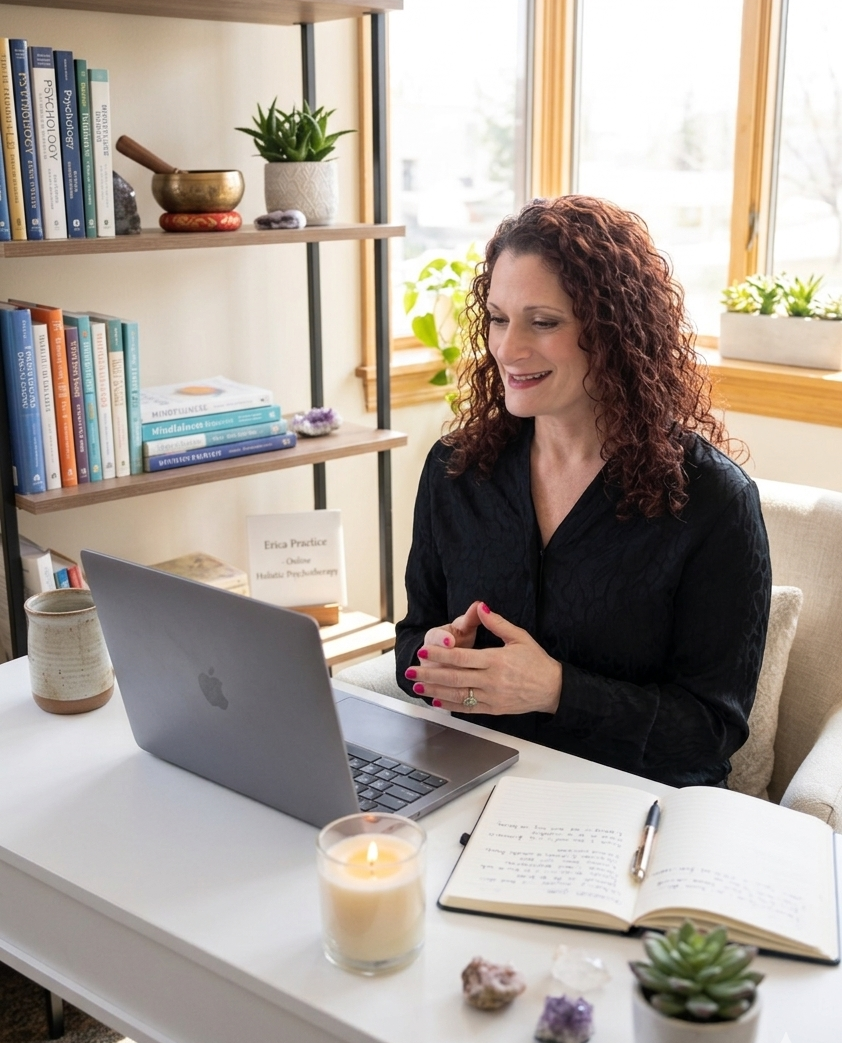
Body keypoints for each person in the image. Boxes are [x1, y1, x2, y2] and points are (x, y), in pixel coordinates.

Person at [395, 195, 771, 788]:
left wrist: (556, 691)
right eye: (497, 317)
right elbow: (411, 640)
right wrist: (437, 655)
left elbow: (711, 728)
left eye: (542, 322)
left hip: (632, 806)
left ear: (614, 331)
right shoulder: (456, 472)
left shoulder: (713, 501)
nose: (507, 348)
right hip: (483, 786)